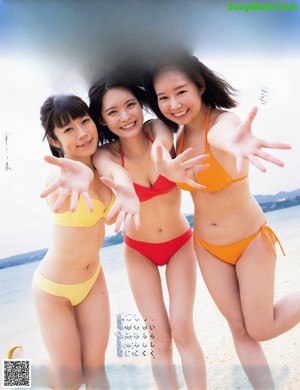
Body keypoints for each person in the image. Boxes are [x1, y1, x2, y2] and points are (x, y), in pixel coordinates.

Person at [143, 50, 300, 389]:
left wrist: (234, 142)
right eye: (164, 98)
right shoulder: (175, 136)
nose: (174, 104)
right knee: (239, 330)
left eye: (180, 91)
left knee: (261, 327)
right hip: (209, 249)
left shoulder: (222, 122)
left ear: (199, 86)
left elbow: (223, 135)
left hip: (250, 243)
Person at [9, 94, 138, 390]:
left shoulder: (102, 162)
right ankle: (15, 367)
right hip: (53, 291)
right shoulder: (59, 177)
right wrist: (76, 170)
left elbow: (116, 175)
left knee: (95, 370)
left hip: (92, 280)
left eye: (84, 122)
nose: (82, 133)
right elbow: (58, 181)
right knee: (68, 382)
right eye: (68, 130)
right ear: (55, 142)